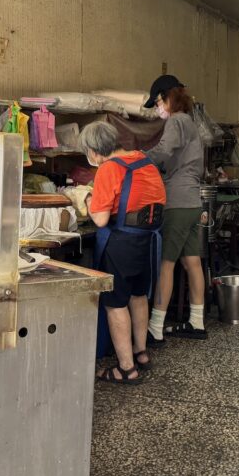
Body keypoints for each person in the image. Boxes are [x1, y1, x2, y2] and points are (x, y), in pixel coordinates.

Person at [82, 122, 166, 383]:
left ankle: (126, 369)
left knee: (115, 303)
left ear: (95, 152)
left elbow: (100, 219)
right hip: (148, 241)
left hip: (122, 244)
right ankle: (141, 353)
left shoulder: (108, 169)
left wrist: (86, 200)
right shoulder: (145, 161)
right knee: (138, 296)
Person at [143, 75, 208, 342]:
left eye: (158, 101)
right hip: (193, 203)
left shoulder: (176, 121)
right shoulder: (190, 123)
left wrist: (132, 160)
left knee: (165, 265)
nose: (158, 108)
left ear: (168, 97)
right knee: (192, 262)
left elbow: (162, 152)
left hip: (176, 203)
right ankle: (196, 321)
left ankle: (155, 327)